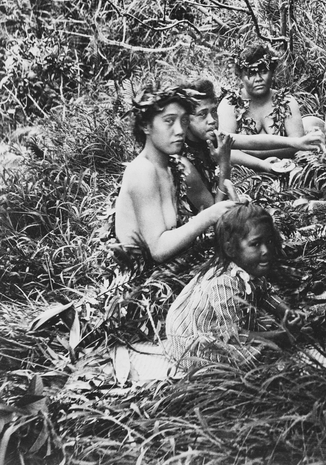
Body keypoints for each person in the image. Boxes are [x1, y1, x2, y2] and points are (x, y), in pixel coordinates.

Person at [165, 202, 304, 370]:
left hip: (227, 325)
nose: (266, 249)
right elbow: (233, 335)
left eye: (269, 241)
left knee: (264, 327)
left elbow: (264, 293)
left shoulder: (249, 266)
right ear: (231, 250)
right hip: (195, 339)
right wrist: (279, 337)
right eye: (255, 244)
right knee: (249, 361)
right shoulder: (223, 285)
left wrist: (285, 311)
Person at [114, 85, 236, 265]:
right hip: (146, 281)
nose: (180, 130)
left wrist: (224, 167)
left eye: (184, 121)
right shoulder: (142, 170)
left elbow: (216, 214)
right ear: (146, 126)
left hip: (175, 264)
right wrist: (208, 216)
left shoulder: (175, 167)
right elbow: (158, 250)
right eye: (169, 121)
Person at [217, 42, 325, 172]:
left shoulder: (286, 101)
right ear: (240, 76)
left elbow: (299, 146)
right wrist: (262, 164)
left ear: (272, 72)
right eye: (251, 73)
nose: (258, 79)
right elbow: (227, 152)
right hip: (243, 177)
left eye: (263, 71)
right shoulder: (230, 104)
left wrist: (248, 151)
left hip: (287, 170)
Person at [179, 78, 233, 213]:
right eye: (202, 114)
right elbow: (216, 213)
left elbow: (252, 141)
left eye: (213, 112)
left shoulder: (206, 138)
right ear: (186, 120)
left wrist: (293, 142)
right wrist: (224, 164)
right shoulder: (183, 165)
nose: (212, 120)